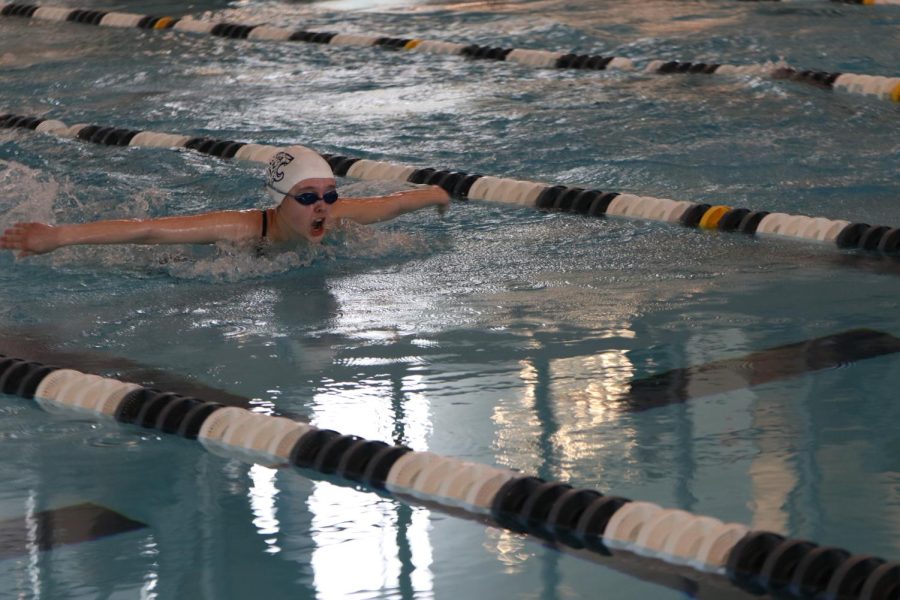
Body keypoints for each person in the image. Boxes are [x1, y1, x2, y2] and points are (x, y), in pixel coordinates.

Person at [0, 146, 450, 258]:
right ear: (278, 200)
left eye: (330, 195)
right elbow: (149, 229)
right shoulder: (240, 228)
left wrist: (432, 194)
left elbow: (391, 204)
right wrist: (58, 236)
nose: (323, 207)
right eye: (308, 197)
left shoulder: (336, 218)